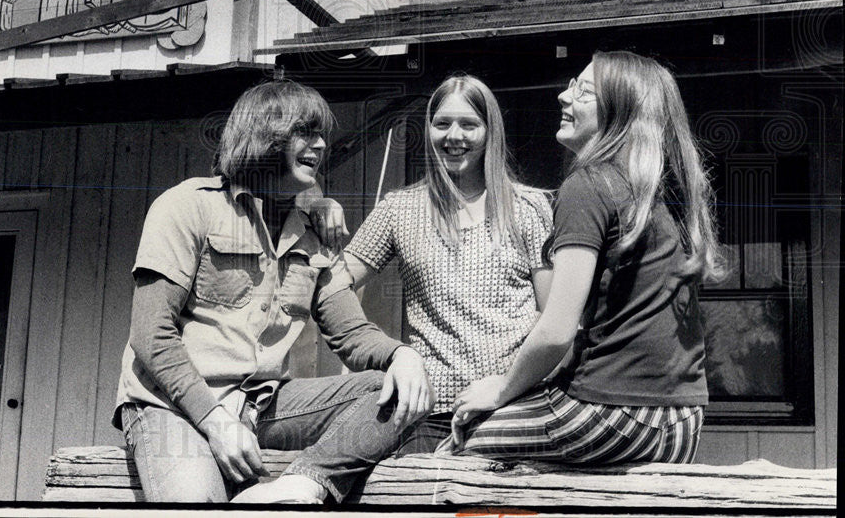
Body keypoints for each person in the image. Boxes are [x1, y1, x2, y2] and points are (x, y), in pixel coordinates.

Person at [112, 79, 433, 504]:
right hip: (171, 406)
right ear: (266, 134)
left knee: (391, 390)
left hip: (260, 407)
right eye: (306, 132)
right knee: (196, 505)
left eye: (322, 136)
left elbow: (352, 333)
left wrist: (402, 355)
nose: (319, 146)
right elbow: (151, 336)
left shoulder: (312, 233)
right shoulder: (189, 205)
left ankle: (303, 484)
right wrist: (214, 420)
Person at [438, 51, 723, 464]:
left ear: (619, 113)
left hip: (610, 415)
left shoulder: (589, 184)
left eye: (582, 91)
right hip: (683, 423)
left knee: (461, 443)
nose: (562, 97)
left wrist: (500, 388)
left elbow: (557, 331)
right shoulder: (662, 192)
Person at [319, 74, 554, 454]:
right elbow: (332, 284)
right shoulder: (401, 209)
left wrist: (509, 384)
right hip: (428, 413)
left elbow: (553, 315)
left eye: (469, 124)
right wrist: (314, 203)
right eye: (442, 123)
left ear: (490, 131)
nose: (454, 135)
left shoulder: (528, 208)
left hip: (513, 406)